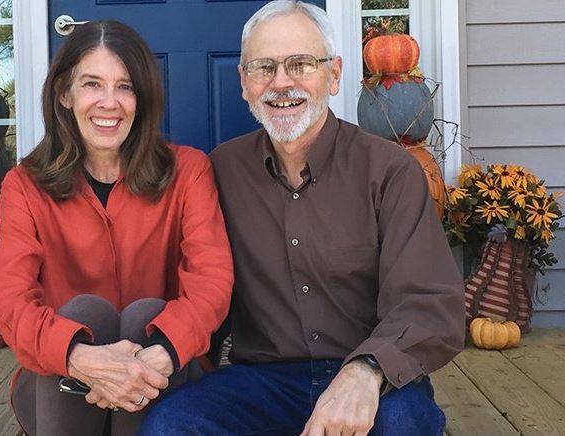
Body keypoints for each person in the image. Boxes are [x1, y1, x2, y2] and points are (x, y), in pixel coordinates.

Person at [139, 2, 465, 435]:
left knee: (404, 423)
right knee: (170, 425)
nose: (281, 83)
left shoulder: (389, 171)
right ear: (243, 82)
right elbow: (194, 281)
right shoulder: (220, 172)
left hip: (374, 376)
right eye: (263, 68)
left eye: (301, 64)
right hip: (261, 381)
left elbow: (429, 301)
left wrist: (366, 371)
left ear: (333, 74)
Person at [0, 20, 233, 436]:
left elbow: (212, 284)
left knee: (147, 314)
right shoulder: (25, 184)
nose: (109, 102)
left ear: (142, 98)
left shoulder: (188, 171)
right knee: (85, 313)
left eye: (125, 86)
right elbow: (10, 303)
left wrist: (158, 355)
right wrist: (76, 356)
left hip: (163, 374)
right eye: (92, 84)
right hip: (60, 387)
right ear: (64, 93)